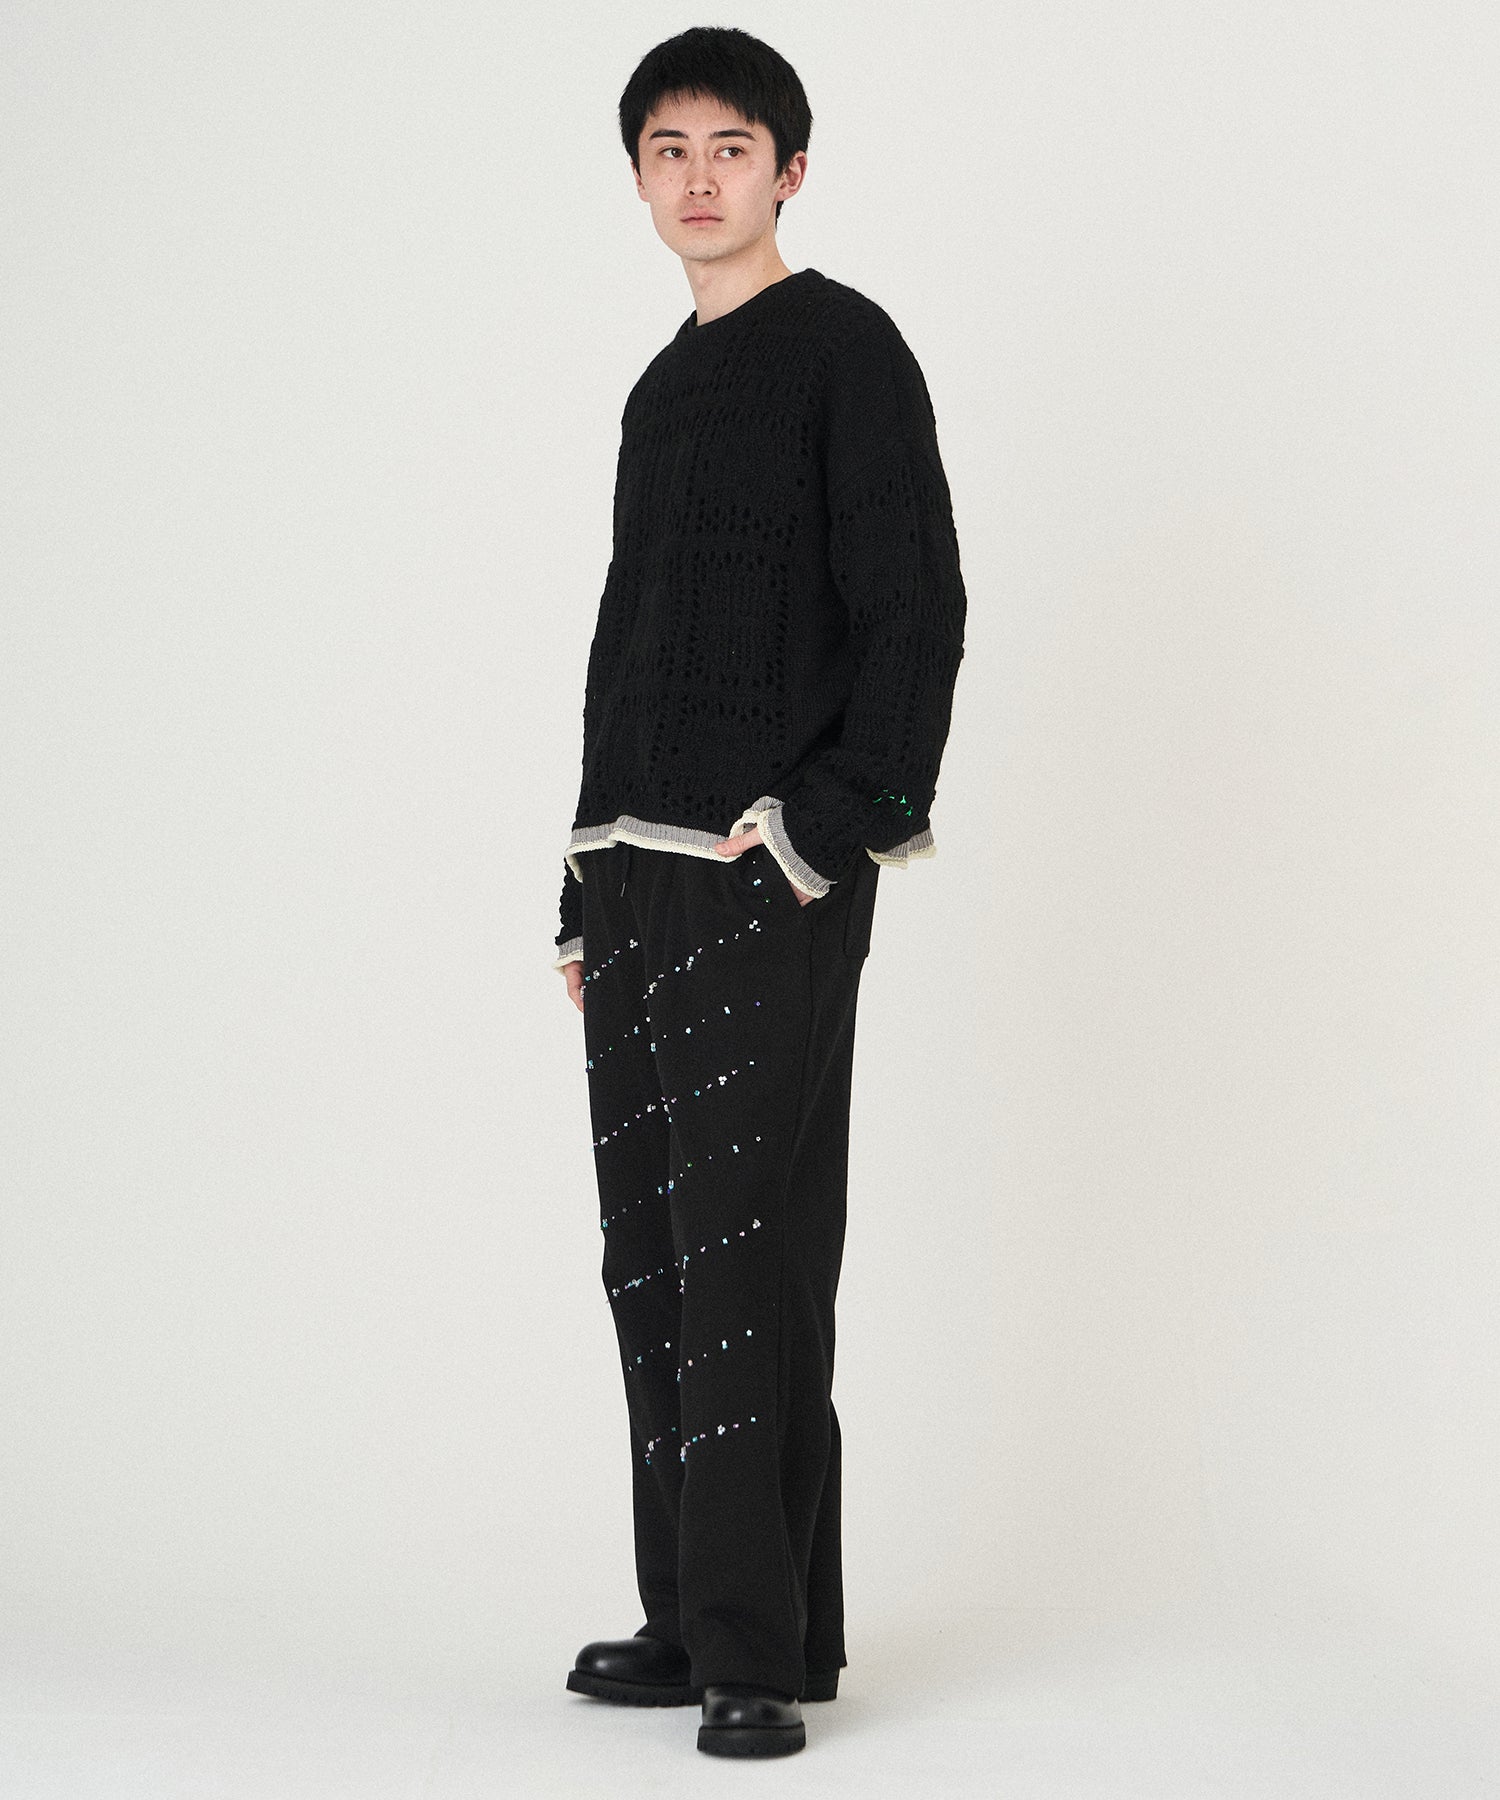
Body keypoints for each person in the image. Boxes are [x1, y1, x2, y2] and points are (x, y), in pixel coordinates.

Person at [554, 25, 967, 1759]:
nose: (699, 177)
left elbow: (918, 607)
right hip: (637, 884)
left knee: (751, 1255)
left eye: (732, 147)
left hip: (762, 880)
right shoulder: (662, 389)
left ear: (789, 170)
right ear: (639, 179)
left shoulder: (844, 349)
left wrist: (827, 829)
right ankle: (700, 1618)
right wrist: (580, 878)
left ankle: (757, 1651)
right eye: (670, 150)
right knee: (650, 1257)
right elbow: (627, 641)